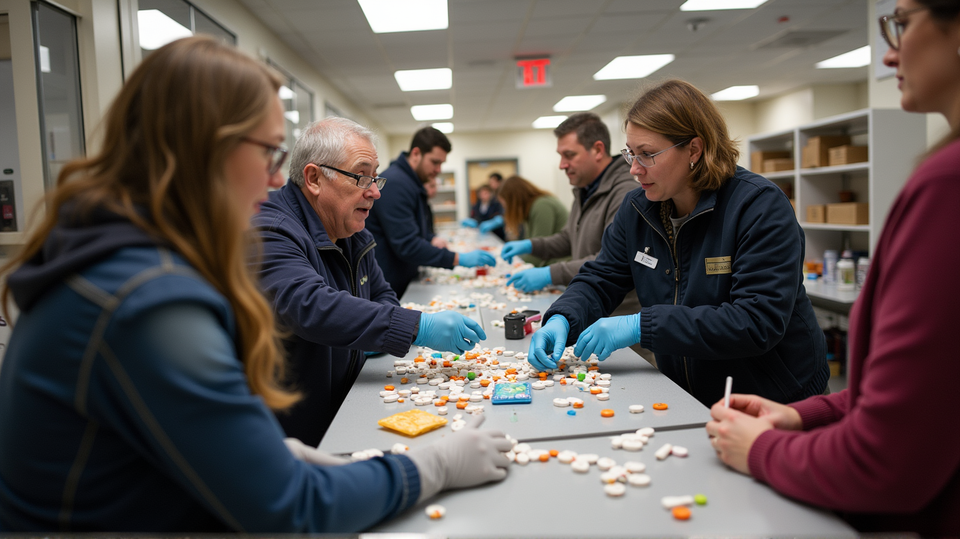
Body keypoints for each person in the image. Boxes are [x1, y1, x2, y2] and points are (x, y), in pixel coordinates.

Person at [0, 37, 510, 533]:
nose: (272, 181)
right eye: (267, 154)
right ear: (209, 149)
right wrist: (435, 467)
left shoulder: (123, 255)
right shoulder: (146, 297)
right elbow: (292, 508)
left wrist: (265, 452)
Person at [706, 2, 960, 535]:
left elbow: (886, 461)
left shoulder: (946, 185)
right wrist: (804, 415)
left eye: (903, 23)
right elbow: (923, 391)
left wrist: (762, 450)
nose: (888, 52)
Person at [529, 79, 828, 408]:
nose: (634, 169)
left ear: (694, 150)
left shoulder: (758, 207)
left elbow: (756, 322)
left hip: (776, 400)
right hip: (689, 394)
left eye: (647, 155)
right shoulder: (637, 210)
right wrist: (562, 317)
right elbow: (601, 278)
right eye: (630, 153)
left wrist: (641, 325)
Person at [252, 117, 487, 446]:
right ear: (314, 178)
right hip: (295, 435)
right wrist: (417, 327)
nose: (375, 191)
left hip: (346, 405)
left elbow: (381, 292)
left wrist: (379, 332)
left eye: (375, 177)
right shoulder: (271, 230)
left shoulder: (347, 227)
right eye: (361, 176)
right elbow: (309, 305)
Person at [368, 127, 494, 298]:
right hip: (389, 283)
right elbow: (407, 245)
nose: (438, 170)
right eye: (435, 162)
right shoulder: (396, 184)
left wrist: (430, 239)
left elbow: (413, 230)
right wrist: (457, 258)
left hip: (403, 276)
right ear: (416, 153)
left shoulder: (411, 182)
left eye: (441, 163)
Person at [496, 175, 568, 267]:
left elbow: (539, 251)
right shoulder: (531, 208)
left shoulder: (542, 205)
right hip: (552, 262)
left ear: (514, 200)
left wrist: (515, 264)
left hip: (560, 263)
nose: (506, 209)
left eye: (506, 205)